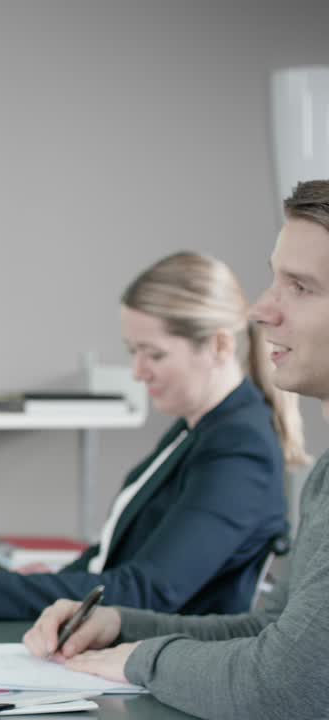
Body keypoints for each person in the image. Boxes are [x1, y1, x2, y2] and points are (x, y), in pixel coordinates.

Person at [0, 251, 308, 620]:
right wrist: (39, 582)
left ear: (220, 346)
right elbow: (120, 554)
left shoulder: (239, 448)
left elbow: (147, 591)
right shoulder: (199, 427)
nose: (137, 371)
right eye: (133, 352)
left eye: (153, 354)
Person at [22, 179, 329, 720]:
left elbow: (283, 686)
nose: (261, 310)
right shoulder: (325, 475)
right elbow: (272, 630)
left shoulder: (239, 445)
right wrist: (122, 625)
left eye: (301, 287)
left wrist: (142, 659)